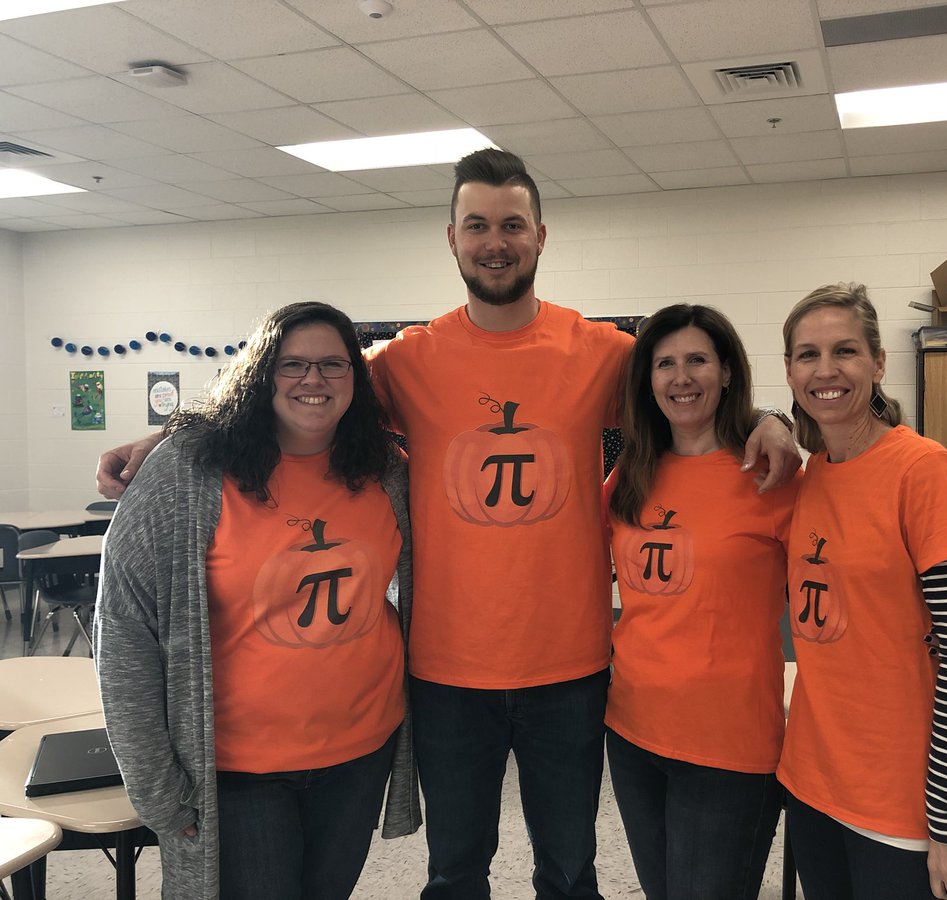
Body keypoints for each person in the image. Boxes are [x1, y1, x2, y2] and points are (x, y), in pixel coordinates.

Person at [96, 149, 800, 900]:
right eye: (477, 225)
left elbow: (687, 389)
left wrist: (771, 419)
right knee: (455, 872)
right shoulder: (406, 359)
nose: (494, 240)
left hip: (570, 670)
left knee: (569, 870)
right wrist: (171, 433)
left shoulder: (602, 353)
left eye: (511, 225)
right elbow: (291, 386)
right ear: (453, 238)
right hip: (443, 675)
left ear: (539, 236)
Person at [94, 301, 420, 900]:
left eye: (332, 364)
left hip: (362, 750)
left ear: (357, 378)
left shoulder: (385, 470)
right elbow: (123, 631)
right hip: (237, 770)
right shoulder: (187, 471)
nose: (312, 380)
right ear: (259, 374)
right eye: (291, 364)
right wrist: (155, 787)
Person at [777, 283, 947, 900]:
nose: (825, 371)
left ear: (877, 362)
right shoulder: (811, 475)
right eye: (806, 355)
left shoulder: (923, 471)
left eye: (844, 351)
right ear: (789, 370)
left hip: (898, 796)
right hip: (813, 778)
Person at [604, 304, 797, 900]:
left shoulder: (770, 474)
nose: (680, 378)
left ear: (728, 372)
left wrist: (778, 419)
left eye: (697, 361)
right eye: (665, 364)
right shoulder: (629, 476)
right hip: (632, 731)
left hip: (727, 744)